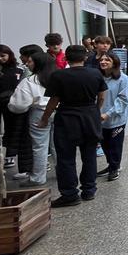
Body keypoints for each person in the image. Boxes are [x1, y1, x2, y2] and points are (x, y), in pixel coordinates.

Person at [39, 45, 107, 207]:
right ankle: (89, 190)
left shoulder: (59, 75)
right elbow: (102, 96)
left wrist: (44, 118)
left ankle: (70, 194)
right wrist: (95, 111)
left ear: (65, 58)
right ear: (84, 57)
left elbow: (53, 100)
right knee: (89, 155)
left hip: (67, 118)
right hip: (90, 116)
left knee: (66, 158)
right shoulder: (95, 73)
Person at [8, 51, 55, 186]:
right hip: (59, 112)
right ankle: (62, 172)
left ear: (38, 63)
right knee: (57, 144)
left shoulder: (29, 81)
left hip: (39, 112)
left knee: (39, 146)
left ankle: (38, 178)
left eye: (30, 62)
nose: (27, 64)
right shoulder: (58, 77)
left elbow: (18, 105)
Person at [97, 53, 128, 181]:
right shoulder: (98, 77)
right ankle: (111, 165)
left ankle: (114, 168)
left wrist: (108, 114)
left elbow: (123, 100)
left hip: (116, 119)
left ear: (114, 63)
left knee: (115, 145)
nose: (103, 61)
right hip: (100, 118)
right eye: (102, 59)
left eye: (107, 59)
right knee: (104, 144)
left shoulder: (123, 79)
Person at [0, 45, 24, 171]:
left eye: (3, 56)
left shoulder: (18, 69)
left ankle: (10, 154)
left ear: (9, 55)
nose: (0, 59)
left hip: (13, 102)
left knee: (12, 128)